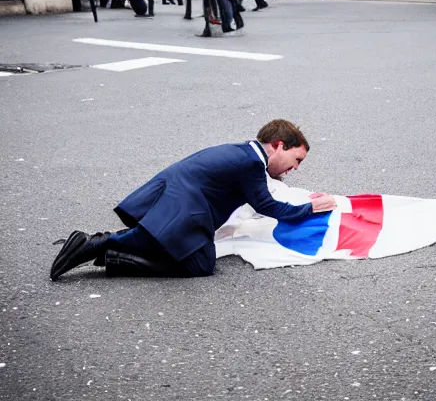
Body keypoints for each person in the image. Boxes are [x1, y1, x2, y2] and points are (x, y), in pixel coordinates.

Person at [50, 119, 337, 281]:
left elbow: (260, 194)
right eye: (296, 159)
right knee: (199, 265)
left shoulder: (245, 153)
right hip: (184, 209)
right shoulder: (251, 165)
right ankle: (98, 244)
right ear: (278, 146)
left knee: (186, 257)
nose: (296, 167)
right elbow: (267, 206)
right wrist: (310, 208)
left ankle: (109, 253)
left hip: (176, 199)